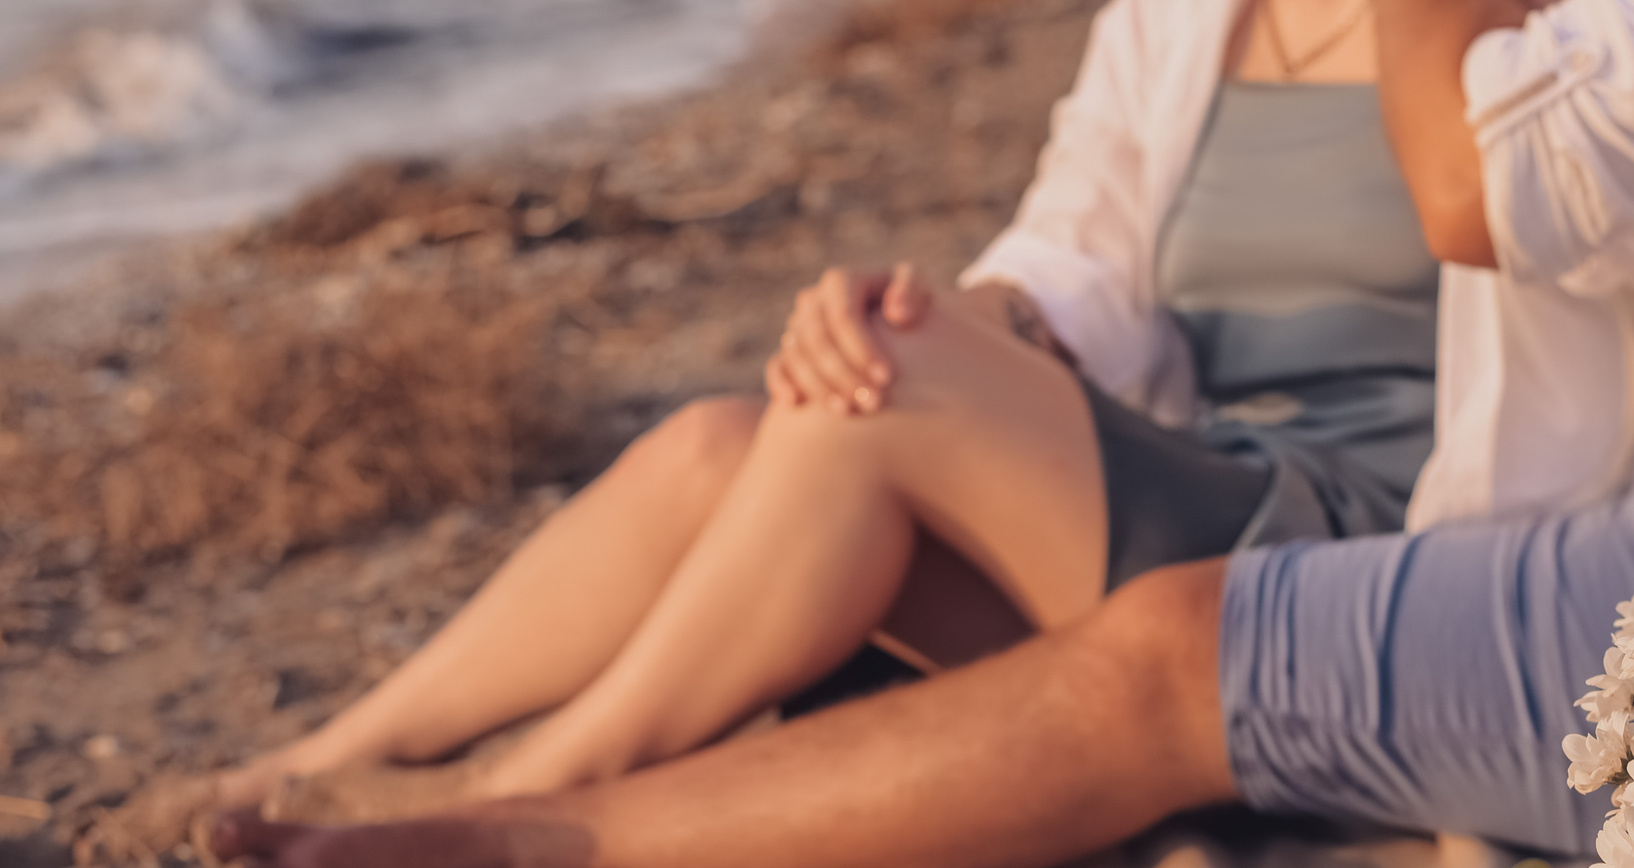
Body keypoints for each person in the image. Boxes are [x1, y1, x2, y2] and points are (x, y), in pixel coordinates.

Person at [214, 0, 1634, 868]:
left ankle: (525, 832)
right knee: (753, 428)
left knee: (1154, 651)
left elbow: (1486, 185)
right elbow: (1085, 238)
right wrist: (975, 326)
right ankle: (386, 750)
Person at [210, 0, 1480, 824]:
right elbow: (1067, 257)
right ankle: (326, 760)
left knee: (889, 383)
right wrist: (943, 316)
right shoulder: (1183, 16)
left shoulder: (1521, 24)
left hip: (1364, 547)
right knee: (734, 436)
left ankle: (531, 787)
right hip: (1200, 466)